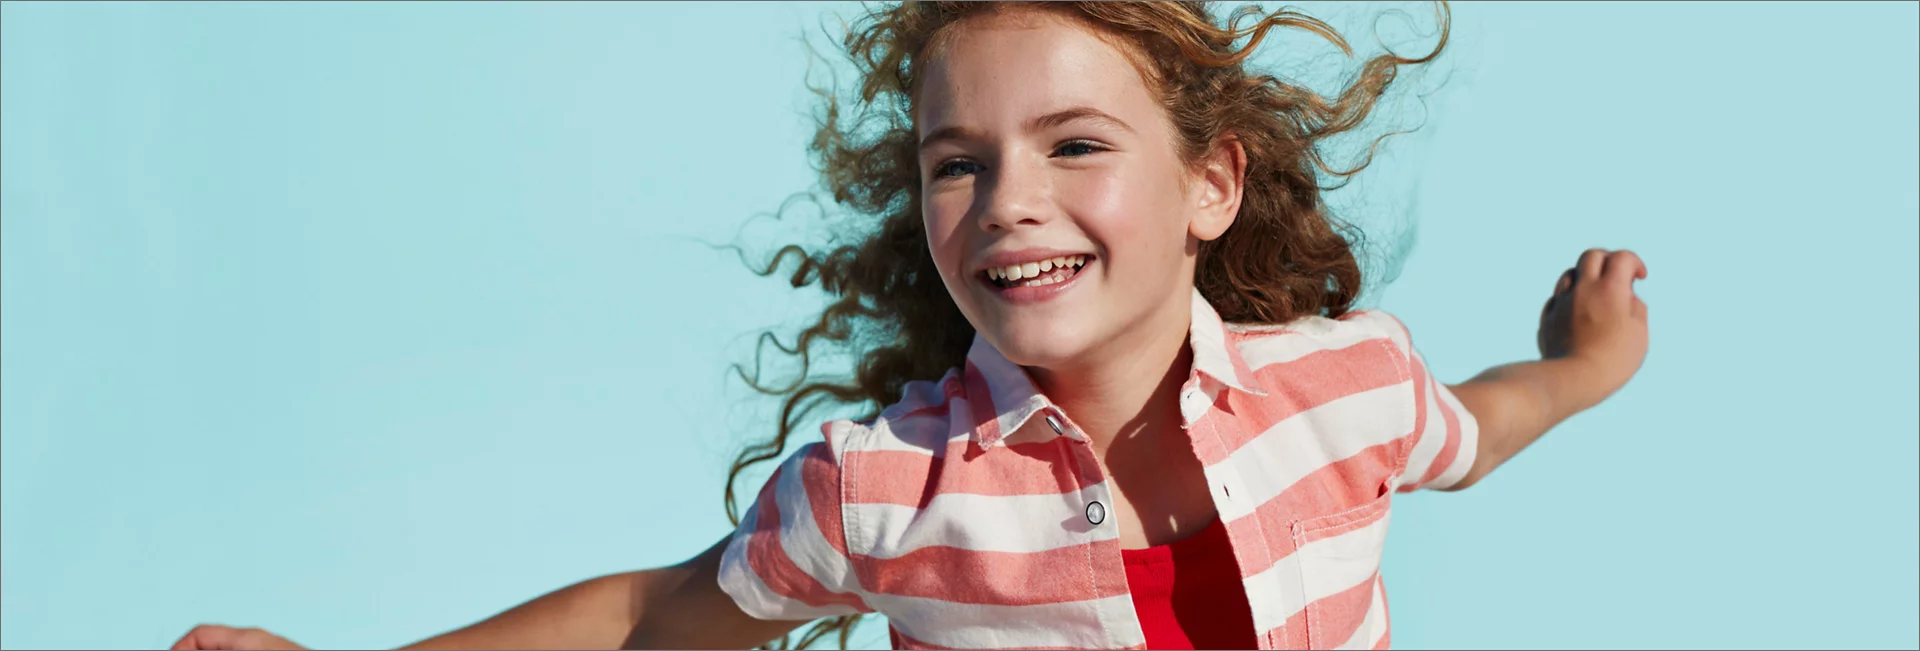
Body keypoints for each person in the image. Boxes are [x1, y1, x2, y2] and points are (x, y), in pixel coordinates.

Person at [172, 1, 1649, 649]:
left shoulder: (1345, 385)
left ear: (1210, 184)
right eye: (962, 162)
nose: (1011, 198)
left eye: (1076, 147)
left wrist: (1587, 361)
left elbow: (1479, 419)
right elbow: (649, 615)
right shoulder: (882, 492)